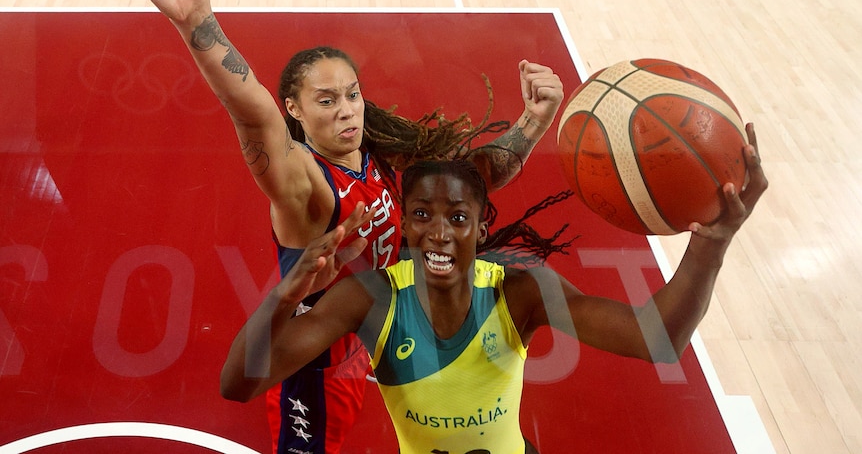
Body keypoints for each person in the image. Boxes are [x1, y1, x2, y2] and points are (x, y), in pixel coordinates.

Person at [104, 0, 564, 454]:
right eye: (326, 101)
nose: (347, 109)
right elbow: (254, 116)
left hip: (365, 340)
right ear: (295, 110)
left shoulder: (380, 160)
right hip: (314, 364)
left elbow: (470, 180)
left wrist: (533, 124)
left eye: (352, 94)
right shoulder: (306, 186)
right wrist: (198, 20)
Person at [220, 124, 767, 453]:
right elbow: (238, 385)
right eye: (422, 215)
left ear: (481, 229)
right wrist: (284, 296)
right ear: (405, 226)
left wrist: (711, 243)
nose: (439, 232)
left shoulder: (519, 293)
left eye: (457, 218)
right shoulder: (372, 298)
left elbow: (657, 338)